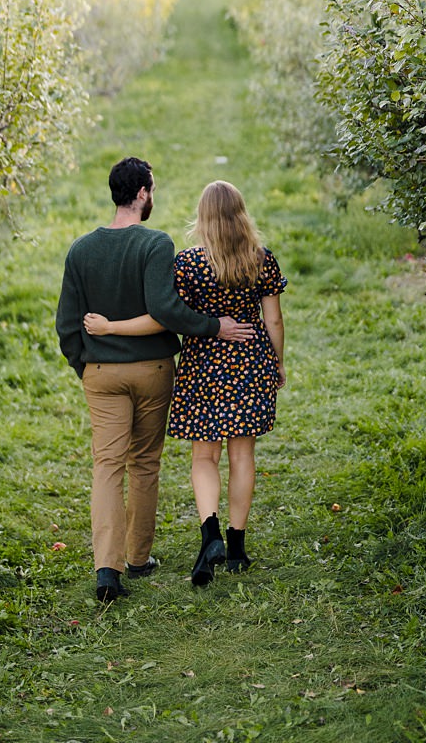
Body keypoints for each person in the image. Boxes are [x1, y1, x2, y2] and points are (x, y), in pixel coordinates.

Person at [55, 157, 256, 603]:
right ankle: (138, 557)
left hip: (101, 373)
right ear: (143, 193)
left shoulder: (81, 250)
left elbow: (66, 323)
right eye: (153, 189)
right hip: (153, 370)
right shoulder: (155, 244)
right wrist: (215, 327)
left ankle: (107, 571)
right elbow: (166, 310)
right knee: (144, 463)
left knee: (107, 466)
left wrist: (85, 365)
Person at [84, 179, 288, 586]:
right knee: (242, 456)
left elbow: (167, 314)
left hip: (203, 366)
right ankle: (236, 547)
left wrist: (110, 327)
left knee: (204, 457)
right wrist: (277, 362)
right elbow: (275, 320)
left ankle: (210, 533)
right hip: (249, 363)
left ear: (203, 217)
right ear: (241, 215)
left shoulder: (189, 264)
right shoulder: (261, 260)